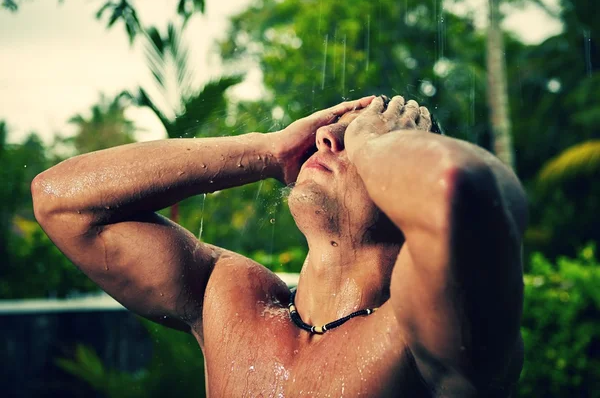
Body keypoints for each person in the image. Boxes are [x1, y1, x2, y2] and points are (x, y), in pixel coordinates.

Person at [31, 95, 527, 397]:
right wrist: (270, 150)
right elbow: (61, 201)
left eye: (360, 137)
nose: (327, 138)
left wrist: (374, 145)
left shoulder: (424, 334)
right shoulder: (232, 298)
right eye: (335, 128)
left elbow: (466, 193)